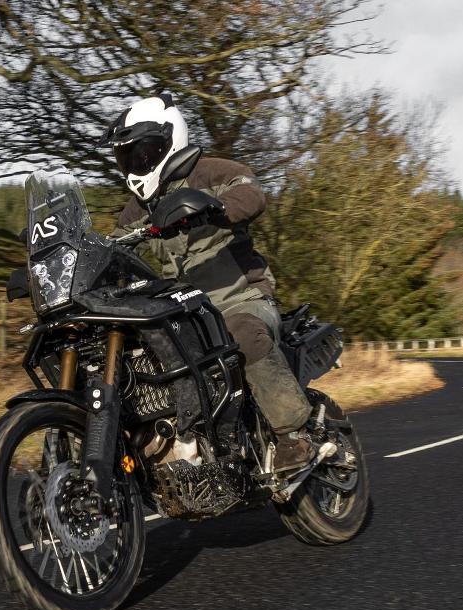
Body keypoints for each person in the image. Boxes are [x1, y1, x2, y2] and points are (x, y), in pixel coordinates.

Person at [99, 93, 315, 471]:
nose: (135, 164)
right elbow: (113, 249)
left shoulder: (212, 172)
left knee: (241, 335)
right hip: (182, 313)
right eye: (127, 157)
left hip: (241, 298)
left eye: (142, 153)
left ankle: (293, 436)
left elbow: (251, 193)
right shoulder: (137, 209)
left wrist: (214, 209)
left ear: (169, 141)